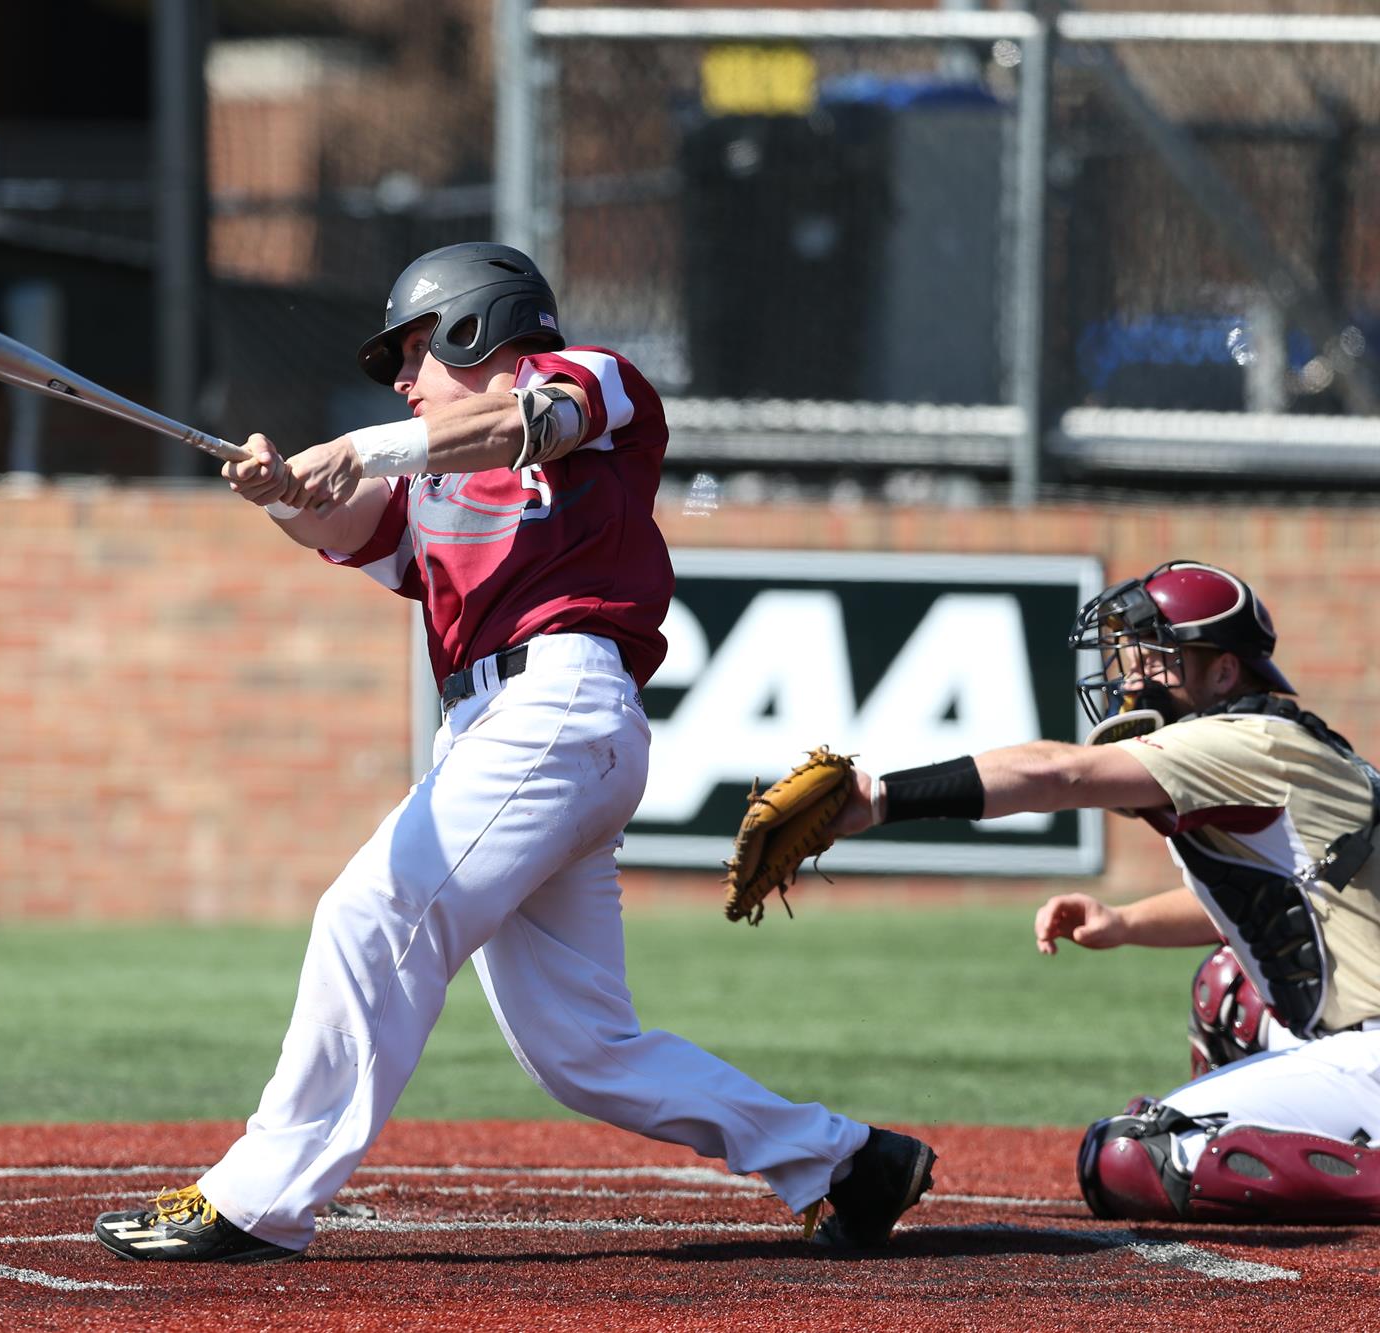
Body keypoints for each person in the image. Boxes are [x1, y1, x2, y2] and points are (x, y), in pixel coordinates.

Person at [92, 242, 937, 1263]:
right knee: (581, 1051)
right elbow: (351, 525)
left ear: (473, 328)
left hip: (559, 702)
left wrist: (360, 445)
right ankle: (845, 1163)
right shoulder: (424, 472)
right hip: (499, 731)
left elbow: (523, 424)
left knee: (372, 913)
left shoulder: (592, 382)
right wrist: (279, 489)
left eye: (412, 354)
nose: (403, 383)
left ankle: (256, 1199)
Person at [823, 560, 1380, 1222]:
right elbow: (1272, 909)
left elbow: (1063, 773)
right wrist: (1122, 920)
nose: (1131, 675)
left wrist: (883, 797)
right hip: (1354, 1036)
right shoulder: (1265, 743)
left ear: (1224, 672)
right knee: (1226, 987)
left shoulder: (1249, 740)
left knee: (1132, 1155)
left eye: (1157, 657)